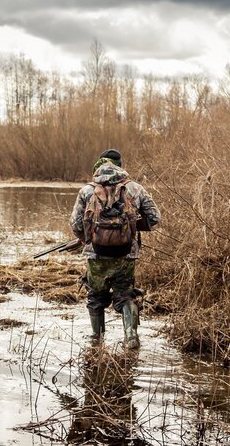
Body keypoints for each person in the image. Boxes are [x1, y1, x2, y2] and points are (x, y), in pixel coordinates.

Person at [69, 149, 160, 349]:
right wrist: (132, 226)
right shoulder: (135, 188)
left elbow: (75, 224)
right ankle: (131, 338)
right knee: (126, 295)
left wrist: (86, 238)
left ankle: (96, 340)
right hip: (126, 253)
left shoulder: (87, 190)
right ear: (120, 164)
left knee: (95, 296)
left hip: (96, 254)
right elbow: (155, 218)